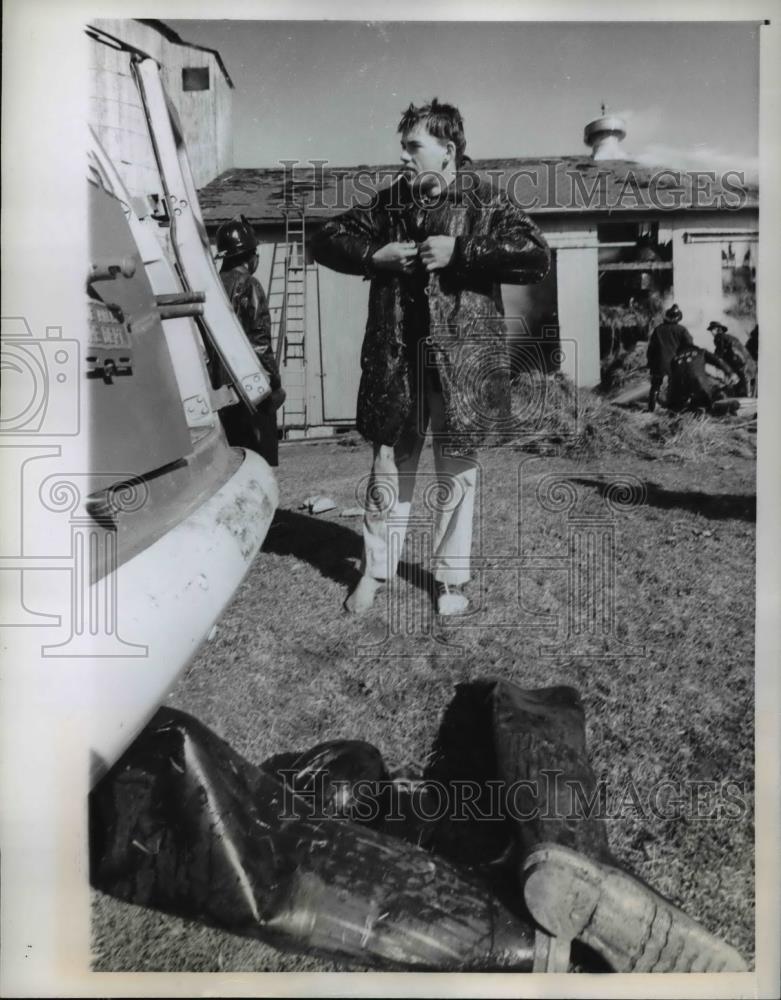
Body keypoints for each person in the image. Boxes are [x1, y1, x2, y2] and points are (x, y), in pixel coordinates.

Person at [311, 98, 550, 615]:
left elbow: (536, 256)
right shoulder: (388, 204)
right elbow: (324, 239)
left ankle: (451, 581)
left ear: (448, 149)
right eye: (402, 147)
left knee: (457, 471)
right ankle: (375, 572)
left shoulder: (485, 200)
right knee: (388, 470)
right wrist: (372, 256)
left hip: (460, 366)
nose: (403, 157)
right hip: (398, 366)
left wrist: (462, 253)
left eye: (413, 147)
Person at [216, 215, 285, 467]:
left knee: (232, 462)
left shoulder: (212, 285)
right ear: (250, 255)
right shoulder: (249, 285)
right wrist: (274, 383)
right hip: (250, 389)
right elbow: (260, 342)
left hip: (218, 390)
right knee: (259, 461)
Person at [646, 304, 693, 412]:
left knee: (655, 385)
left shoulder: (658, 329)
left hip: (659, 362)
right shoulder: (682, 330)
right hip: (675, 363)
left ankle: (651, 407)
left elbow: (651, 348)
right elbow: (689, 346)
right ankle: (673, 407)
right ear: (678, 318)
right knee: (674, 385)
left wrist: (650, 362)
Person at [666, 342, 737, 413]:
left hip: (680, 394)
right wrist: (731, 373)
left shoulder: (674, 359)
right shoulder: (701, 352)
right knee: (715, 392)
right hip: (700, 387)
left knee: (685, 403)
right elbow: (718, 361)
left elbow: (671, 381)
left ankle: (691, 408)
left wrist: (670, 403)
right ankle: (714, 406)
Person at [707, 320, 757, 397]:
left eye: (712, 330)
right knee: (743, 383)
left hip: (737, 363)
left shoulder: (719, 337)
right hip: (746, 363)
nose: (711, 332)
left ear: (717, 329)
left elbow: (719, 354)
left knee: (736, 384)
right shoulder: (730, 337)